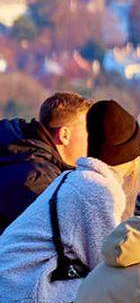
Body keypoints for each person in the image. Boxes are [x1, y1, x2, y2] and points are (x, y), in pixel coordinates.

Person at [0, 100, 140, 303]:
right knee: (117, 298)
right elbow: (106, 265)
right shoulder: (99, 189)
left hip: (11, 293)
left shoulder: (72, 178)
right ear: (130, 156)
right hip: (16, 300)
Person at [0, 92, 90, 232]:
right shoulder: (39, 182)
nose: (94, 141)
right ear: (64, 135)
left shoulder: (18, 147)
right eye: (89, 133)